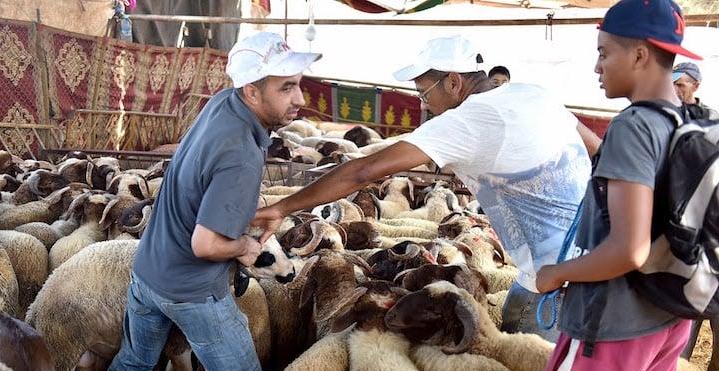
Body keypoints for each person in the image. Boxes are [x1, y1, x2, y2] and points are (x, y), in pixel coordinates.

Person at [253, 35, 597, 342]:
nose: (422, 104)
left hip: (557, 281)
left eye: (424, 93)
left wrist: (282, 208)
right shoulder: (532, 93)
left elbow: (363, 171)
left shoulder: (466, 120)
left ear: (453, 82)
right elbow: (599, 147)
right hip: (596, 257)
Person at [78, 32, 320, 371]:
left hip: (149, 271)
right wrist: (244, 247)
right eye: (286, 87)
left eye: (298, 83)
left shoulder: (220, 106)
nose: (299, 97)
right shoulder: (241, 153)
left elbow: (200, 191)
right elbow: (207, 243)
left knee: (134, 364)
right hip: (193, 291)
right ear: (251, 90)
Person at [530, 1, 699, 371]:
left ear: (642, 54)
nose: (597, 67)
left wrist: (556, 275)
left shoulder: (635, 126)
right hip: (670, 319)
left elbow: (628, 250)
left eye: (604, 53)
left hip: (610, 325)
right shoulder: (692, 118)